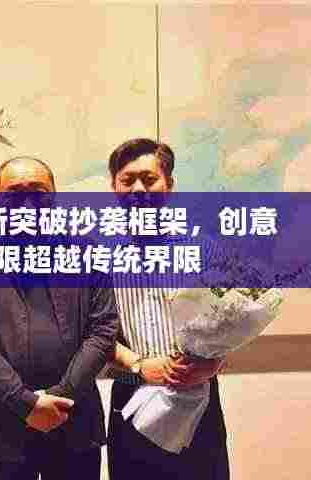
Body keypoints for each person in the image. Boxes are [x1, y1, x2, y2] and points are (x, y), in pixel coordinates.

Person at [0, 156, 119, 480]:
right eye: (14, 193)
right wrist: (26, 404)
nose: (27, 203)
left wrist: (60, 397)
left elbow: (103, 331)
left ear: (53, 195)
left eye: (38, 191)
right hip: (1, 423)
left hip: (75, 420)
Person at [106, 138, 230, 479]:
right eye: (127, 180)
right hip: (131, 393)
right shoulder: (99, 254)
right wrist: (140, 366)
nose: (138, 189)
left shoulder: (203, 247)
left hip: (198, 390)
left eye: (149, 179)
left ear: (169, 185)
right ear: (114, 187)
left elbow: (231, 322)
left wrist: (212, 364)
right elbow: (93, 332)